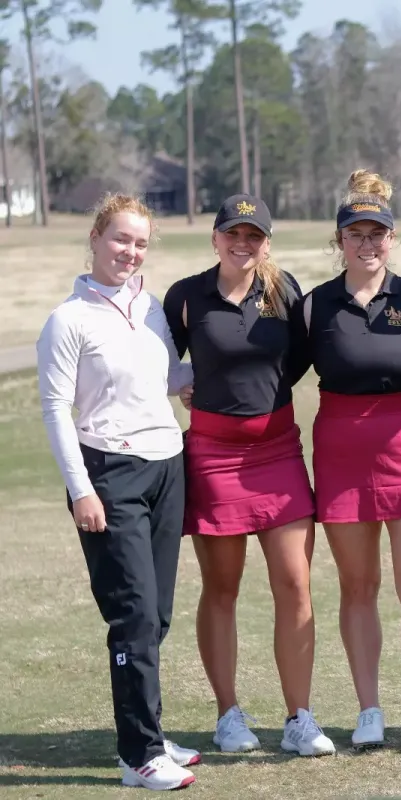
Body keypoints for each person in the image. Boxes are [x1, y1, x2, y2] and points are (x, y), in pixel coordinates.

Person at [37, 194, 200, 790]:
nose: (130, 252)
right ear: (96, 238)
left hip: (167, 466)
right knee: (131, 615)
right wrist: (81, 490)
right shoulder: (68, 319)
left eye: (140, 243)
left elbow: (165, 377)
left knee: (155, 616)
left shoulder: (152, 308)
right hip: (109, 473)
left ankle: (150, 733)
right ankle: (138, 756)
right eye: (120, 240)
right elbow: (56, 409)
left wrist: (206, 375)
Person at [162, 194, 334, 758]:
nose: (243, 244)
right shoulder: (187, 296)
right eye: (233, 234)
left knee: (295, 584)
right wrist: (186, 380)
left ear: (267, 242)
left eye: (254, 236)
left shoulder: (284, 292)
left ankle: (299, 717)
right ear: (215, 238)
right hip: (213, 456)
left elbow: (302, 358)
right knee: (223, 588)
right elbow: (156, 358)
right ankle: (227, 714)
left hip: (278, 449)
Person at [304, 170, 401, 752]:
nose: (367, 244)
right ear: (339, 240)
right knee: (357, 585)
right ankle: (369, 710)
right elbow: (271, 371)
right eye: (355, 234)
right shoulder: (314, 305)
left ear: (393, 238)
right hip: (341, 448)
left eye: (378, 233)